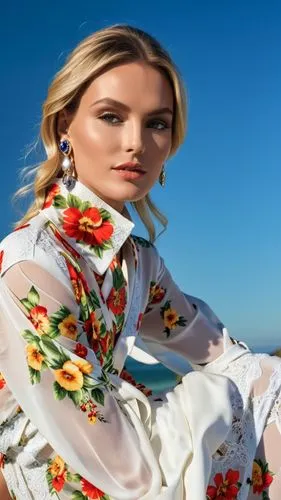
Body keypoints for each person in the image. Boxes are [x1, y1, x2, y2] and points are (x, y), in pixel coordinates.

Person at [0, 24, 280, 500]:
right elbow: (119, 465)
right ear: (65, 126)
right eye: (111, 117)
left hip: (110, 450)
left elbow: (216, 350)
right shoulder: (31, 263)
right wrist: (211, 411)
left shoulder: (138, 261)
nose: (136, 143)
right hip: (50, 469)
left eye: (156, 123)